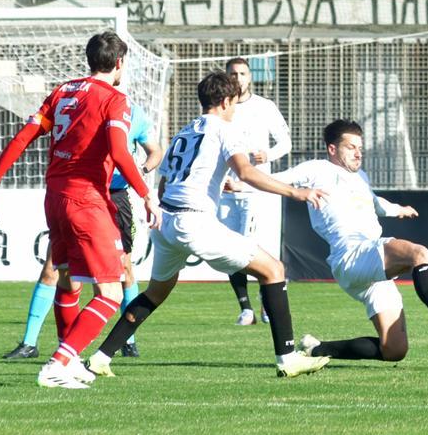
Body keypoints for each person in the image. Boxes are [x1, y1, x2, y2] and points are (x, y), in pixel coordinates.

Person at [84, 71, 331, 379]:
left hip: (166, 222)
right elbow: (246, 172)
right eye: (234, 103)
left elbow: (165, 184)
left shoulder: (185, 131)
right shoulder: (224, 129)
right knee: (274, 270)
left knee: (156, 292)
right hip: (193, 221)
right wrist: (297, 192)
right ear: (226, 101)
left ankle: (100, 357)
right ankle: (288, 357)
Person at [0, 31, 160, 389]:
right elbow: (120, 152)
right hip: (86, 200)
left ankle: (67, 359)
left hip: (54, 198)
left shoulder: (63, 91)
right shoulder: (114, 99)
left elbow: (25, 135)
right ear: (119, 64)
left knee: (69, 282)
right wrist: (146, 193)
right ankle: (57, 364)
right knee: (111, 292)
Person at [269, 119, 428, 364]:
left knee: (394, 350)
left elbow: (375, 203)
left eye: (360, 147)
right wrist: (240, 183)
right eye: (350, 147)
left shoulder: (360, 176)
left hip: (367, 267)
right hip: (353, 253)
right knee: (419, 254)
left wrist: (398, 209)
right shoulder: (317, 169)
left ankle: (316, 349)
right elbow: (277, 178)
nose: (358, 153)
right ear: (332, 149)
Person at [2, 102, 163, 360]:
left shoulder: (134, 114)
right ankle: (31, 343)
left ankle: (128, 340)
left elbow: (155, 151)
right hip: (82, 195)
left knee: (124, 270)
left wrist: (139, 172)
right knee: (53, 268)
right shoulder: (83, 110)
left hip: (116, 196)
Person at [219, 57, 291, 326]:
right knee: (229, 250)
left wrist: (267, 154)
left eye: (242, 73)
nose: (238, 78)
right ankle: (245, 308)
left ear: (250, 77)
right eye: (233, 74)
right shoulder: (222, 107)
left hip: (255, 190)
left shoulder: (265, 106)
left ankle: (265, 304)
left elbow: (286, 142)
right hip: (227, 190)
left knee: (254, 248)